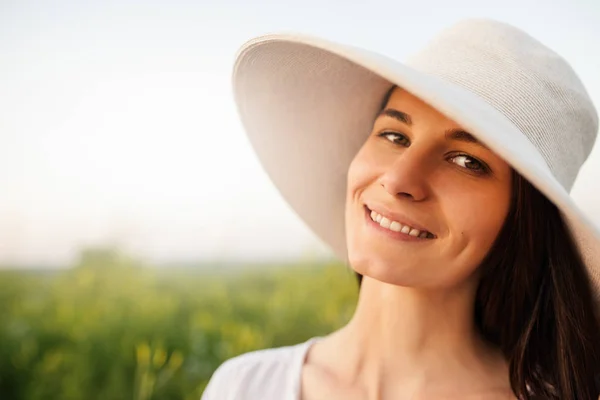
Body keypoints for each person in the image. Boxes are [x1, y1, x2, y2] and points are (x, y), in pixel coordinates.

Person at [202, 18, 600, 399]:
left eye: (466, 161)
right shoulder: (243, 387)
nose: (398, 179)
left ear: (521, 221)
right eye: (394, 135)